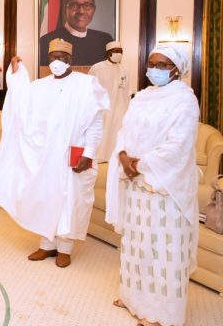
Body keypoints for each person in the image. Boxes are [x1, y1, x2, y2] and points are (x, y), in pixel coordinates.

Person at [0, 38, 109, 267]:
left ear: (70, 60)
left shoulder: (87, 84)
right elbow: (21, 107)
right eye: (53, 58)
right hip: (47, 157)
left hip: (74, 154)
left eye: (62, 57)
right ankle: (47, 245)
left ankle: (65, 248)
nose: (57, 62)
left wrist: (89, 153)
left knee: (70, 199)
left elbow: (95, 125)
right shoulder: (39, 86)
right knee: (45, 197)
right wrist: (16, 75)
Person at [105, 43, 198, 326]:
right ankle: (133, 297)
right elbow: (124, 129)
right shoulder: (142, 97)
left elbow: (178, 146)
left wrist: (139, 165)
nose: (154, 70)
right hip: (136, 185)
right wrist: (122, 155)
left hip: (163, 188)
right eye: (151, 64)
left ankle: (161, 314)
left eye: (161, 65)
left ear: (176, 69)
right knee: (136, 246)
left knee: (162, 250)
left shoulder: (184, 100)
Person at [39, 0, 114, 66]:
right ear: (64, 9)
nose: (81, 11)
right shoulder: (46, 41)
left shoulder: (105, 40)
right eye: (74, 5)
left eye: (87, 6)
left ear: (94, 9)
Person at [88, 41, 131, 162]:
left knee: (117, 132)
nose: (118, 54)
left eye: (120, 52)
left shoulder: (124, 69)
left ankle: (114, 155)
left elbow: (128, 90)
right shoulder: (97, 68)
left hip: (119, 107)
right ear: (108, 53)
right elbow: (90, 89)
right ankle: (99, 156)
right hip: (102, 108)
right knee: (102, 132)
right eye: (115, 51)